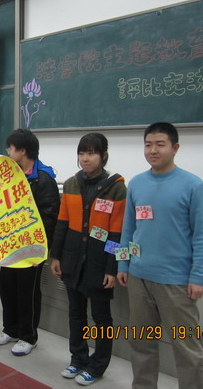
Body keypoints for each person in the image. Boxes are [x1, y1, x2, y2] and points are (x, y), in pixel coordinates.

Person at [117, 122, 203, 389]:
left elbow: (202, 236)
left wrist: (198, 276)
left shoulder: (193, 185)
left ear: (175, 148)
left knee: (186, 348)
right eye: (148, 144)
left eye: (160, 144)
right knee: (141, 342)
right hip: (138, 277)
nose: (153, 150)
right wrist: (123, 263)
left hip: (176, 282)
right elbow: (129, 229)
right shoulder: (137, 183)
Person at [49, 133, 126, 386]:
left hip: (99, 263)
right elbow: (62, 223)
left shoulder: (116, 187)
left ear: (104, 156)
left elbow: (117, 233)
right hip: (72, 261)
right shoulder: (71, 184)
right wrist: (55, 256)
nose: (85, 158)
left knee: (102, 318)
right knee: (75, 313)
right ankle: (78, 358)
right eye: (81, 153)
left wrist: (112, 268)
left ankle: (98, 365)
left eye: (91, 153)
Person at [0, 129, 60, 356]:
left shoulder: (43, 178)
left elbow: (49, 218)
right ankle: (10, 330)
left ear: (22, 151)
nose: (7, 152)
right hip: (10, 244)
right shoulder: (11, 174)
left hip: (31, 248)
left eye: (10, 148)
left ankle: (28, 336)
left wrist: (41, 251)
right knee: (7, 287)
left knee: (27, 292)